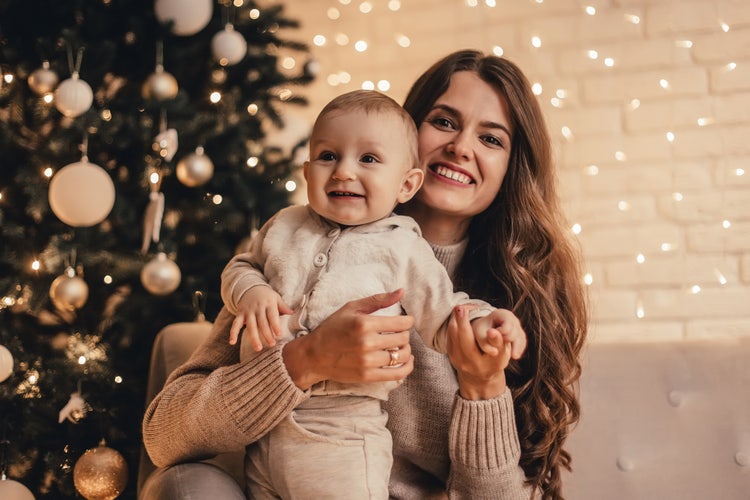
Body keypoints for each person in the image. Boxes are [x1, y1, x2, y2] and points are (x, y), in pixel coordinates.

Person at [142, 49, 588, 500]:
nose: (461, 147)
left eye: (491, 139)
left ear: (513, 167)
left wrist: (482, 383)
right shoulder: (294, 248)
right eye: (445, 122)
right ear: (407, 134)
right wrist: (305, 360)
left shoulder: (515, 301)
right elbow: (164, 436)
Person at [220, 89, 524, 499]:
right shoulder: (284, 225)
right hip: (264, 432)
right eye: (328, 156)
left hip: (341, 434)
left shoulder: (402, 247)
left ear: (406, 184)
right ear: (306, 172)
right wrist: (251, 291)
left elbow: (445, 311)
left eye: (368, 159)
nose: (344, 171)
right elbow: (241, 266)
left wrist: (483, 325)